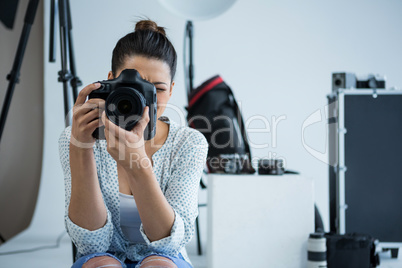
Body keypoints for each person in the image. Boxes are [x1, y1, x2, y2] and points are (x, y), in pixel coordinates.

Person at [58, 20, 208, 268]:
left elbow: (169, 245)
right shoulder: (78, 136)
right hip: (100, 260)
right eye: (131, 88)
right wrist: (81, 147)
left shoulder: (189, 143)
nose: (143, 100)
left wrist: (137, 164)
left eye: (156, 89)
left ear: (171, 90)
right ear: (109, 81)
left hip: (166, 260)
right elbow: (91, 245)